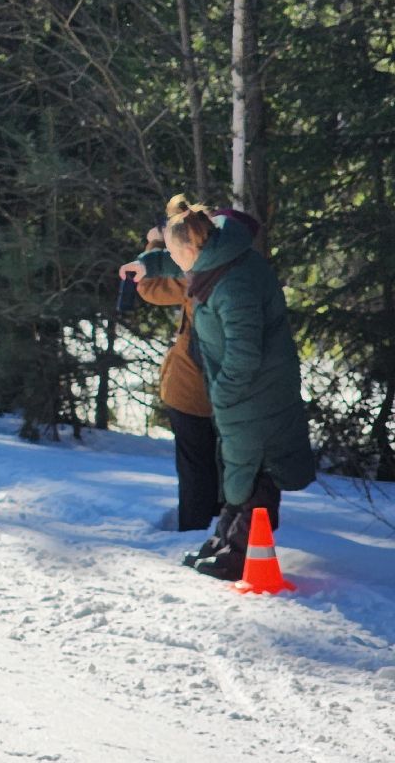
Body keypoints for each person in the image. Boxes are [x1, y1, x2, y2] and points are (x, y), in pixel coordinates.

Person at [121, 203, 316, 581]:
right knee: (239, 465)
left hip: (257, 393)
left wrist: (224, 396)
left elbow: (244, 354)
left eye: (176, 254)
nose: (177, 262)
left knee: (257, 467)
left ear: (193, 249)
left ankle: (241, 555)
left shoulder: (233, 286)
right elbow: (178, 264)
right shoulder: (217, 258)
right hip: (245, 393)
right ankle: (224, 540)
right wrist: (149, 265)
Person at [134, 204, 219, 533]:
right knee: (217, 465)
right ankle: (215, 527)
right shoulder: (228, 268)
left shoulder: (195, 272)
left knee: (196, 468)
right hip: (214, 392)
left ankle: (194, 530)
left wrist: (154, 243)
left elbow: (149, 287)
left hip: (190, 390)